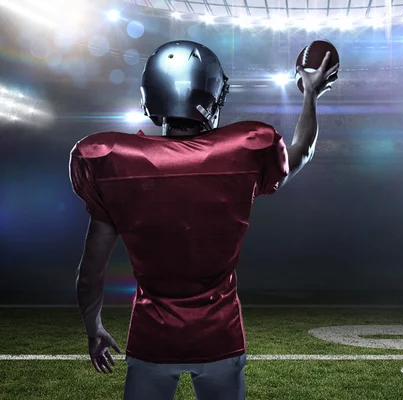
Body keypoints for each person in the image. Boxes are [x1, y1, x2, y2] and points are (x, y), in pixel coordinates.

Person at [69, 40, 339, 400]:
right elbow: (301, 152)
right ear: (210, 96)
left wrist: (94, 329)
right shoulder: (243, 152)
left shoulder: (112, 161)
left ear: (151, 94)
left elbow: (90, 274)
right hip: (220, 336)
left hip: (152, 339)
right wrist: (310, 95)